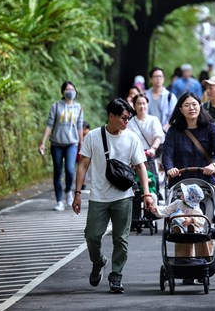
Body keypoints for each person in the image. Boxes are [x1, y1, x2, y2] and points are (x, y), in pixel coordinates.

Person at [72, 98, 153, 294]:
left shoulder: (132, 138)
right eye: (124, 118)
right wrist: (77, 193)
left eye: (129, 118)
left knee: (121, 239)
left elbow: (141, 166)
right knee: (91, 236)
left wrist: (147, 193)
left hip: (123, 196)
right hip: (98, 196)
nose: (127, 121)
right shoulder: (93, 136)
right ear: (111, 116)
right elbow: (83, 165)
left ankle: (116, 277)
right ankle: (99, 261)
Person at [162, 92, 215, 189]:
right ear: (181, 110)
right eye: (187, 105)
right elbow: (167, 154)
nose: (191, 108)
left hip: (206, 180)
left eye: (194, 104)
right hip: (180, 181)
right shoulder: (173, 130)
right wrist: (170, 168)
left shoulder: (211, 127)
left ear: (200, 106)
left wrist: (213, 165)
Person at [39, 81, 83, 211]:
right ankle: (59, 201)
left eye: (72, 89)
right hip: (56, 144)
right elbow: (49, 125)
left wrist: (82, 143)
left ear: (75, 91)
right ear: (63, 92)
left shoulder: (78, 108)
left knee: (70, 170)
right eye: (67, 89)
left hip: (72, 144)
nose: (70, 91)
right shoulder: (56, 106)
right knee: (57, 172)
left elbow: (80, 127)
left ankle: (68, 190)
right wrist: (43, 142)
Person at [127, 93, 165, 192]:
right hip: (134, 156)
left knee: (153, 180)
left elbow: (158, 136)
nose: (142, 106)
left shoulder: (153, 120)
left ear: (147, 104)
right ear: (134, 106)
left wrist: (153, 149)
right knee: (135, 182)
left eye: (144, 103)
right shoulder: (130, 122)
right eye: (139, 103)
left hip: (149, 154)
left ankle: (154, 202)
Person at [145, 67, 177, 132]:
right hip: (147, 131)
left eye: (160, 76)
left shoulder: (170, 97)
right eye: (155, 76)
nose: (158, 78)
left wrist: (163, 130)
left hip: (165, 132)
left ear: (164, 79)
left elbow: (173, 117)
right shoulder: (144, 95)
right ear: (151, 79)